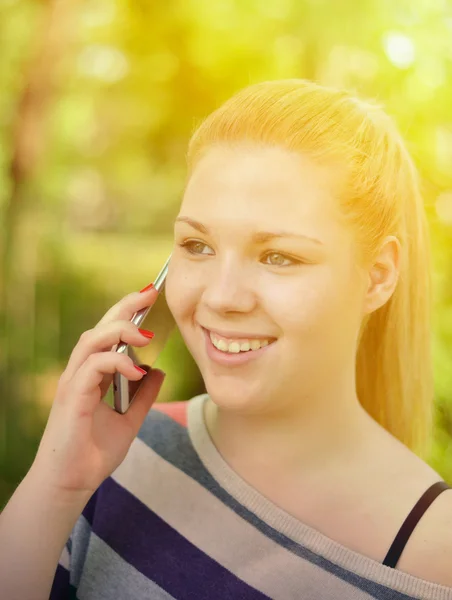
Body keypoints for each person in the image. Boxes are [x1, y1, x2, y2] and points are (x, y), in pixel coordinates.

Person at [1, 79, 452, 600]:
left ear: (376, 276)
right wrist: (56, 486)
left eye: (278, 256)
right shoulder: (113, 456)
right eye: (197, 245)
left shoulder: (433, 561)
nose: (221, 297)